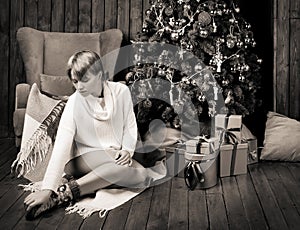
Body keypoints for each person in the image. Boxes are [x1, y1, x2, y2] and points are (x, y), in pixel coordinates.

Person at [24, 50, 163, 220]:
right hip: (80, 160)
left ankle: (74, 187)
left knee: (143, 178)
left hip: (113, 157)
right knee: (118, 164)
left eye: (85, 80)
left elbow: (129, 126)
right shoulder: (74, 102)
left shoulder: (121, 92)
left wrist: (127, 150)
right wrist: (47, 188)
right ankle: (61, 193)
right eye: (75, 81)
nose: (79, 86)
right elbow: (62, 144)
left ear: (101, 75)